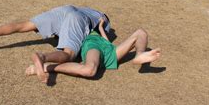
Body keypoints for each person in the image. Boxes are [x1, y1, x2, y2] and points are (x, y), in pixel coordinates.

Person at [0, 5, 111, 72]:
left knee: (22, 25)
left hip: (64, 9)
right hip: (77, 18)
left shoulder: (87, 10)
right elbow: (106, 45)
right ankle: (43, 57)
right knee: (69, 54)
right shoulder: (102, 22)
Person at [26, 18, 161, 83]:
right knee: (89, 70)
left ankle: (139, 55)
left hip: (110, 50)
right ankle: (48, 67)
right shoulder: (80, 32)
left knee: (141, 32)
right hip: (93, 47)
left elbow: (106, 40)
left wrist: (101, 27)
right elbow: (69, 38)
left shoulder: (98, 30)